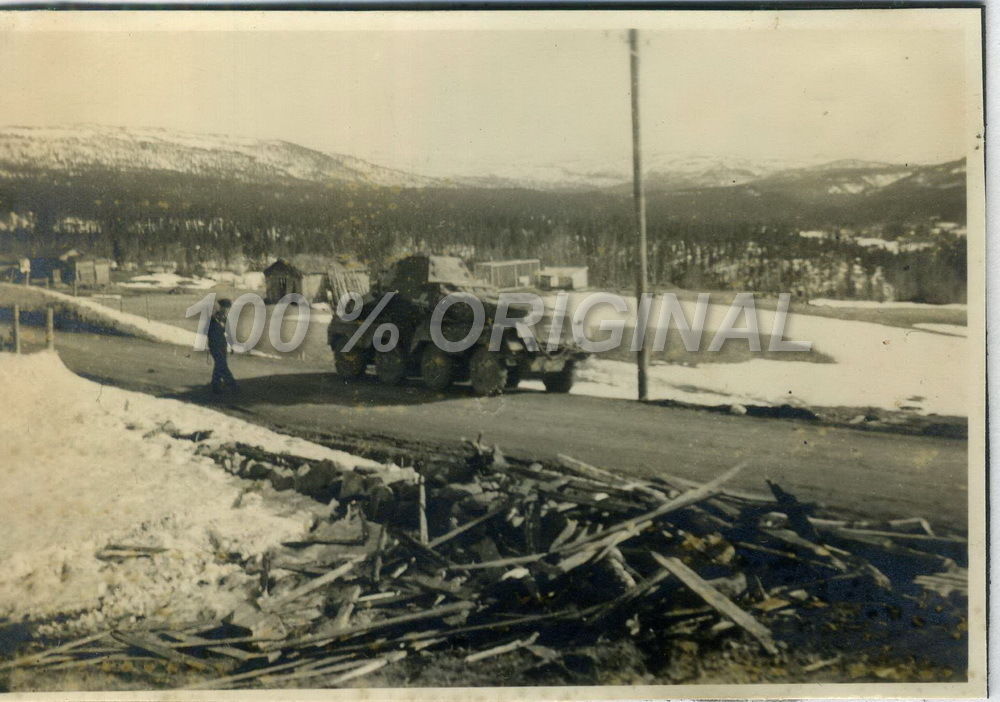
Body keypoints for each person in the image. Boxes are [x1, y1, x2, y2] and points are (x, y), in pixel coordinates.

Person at [207, 298, 239, 394]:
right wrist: (211, 346)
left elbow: (228, 333)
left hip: (223, 345)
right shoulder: (213, 319)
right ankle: (231, 384)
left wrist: (232, 346)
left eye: (227, 308)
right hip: (214, 345)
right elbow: (209, 333)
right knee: (221, 364)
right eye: (224, 308)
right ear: (221, 308)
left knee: (219, 365)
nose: (226, 310)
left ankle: (215, 384)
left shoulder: (225, 319)